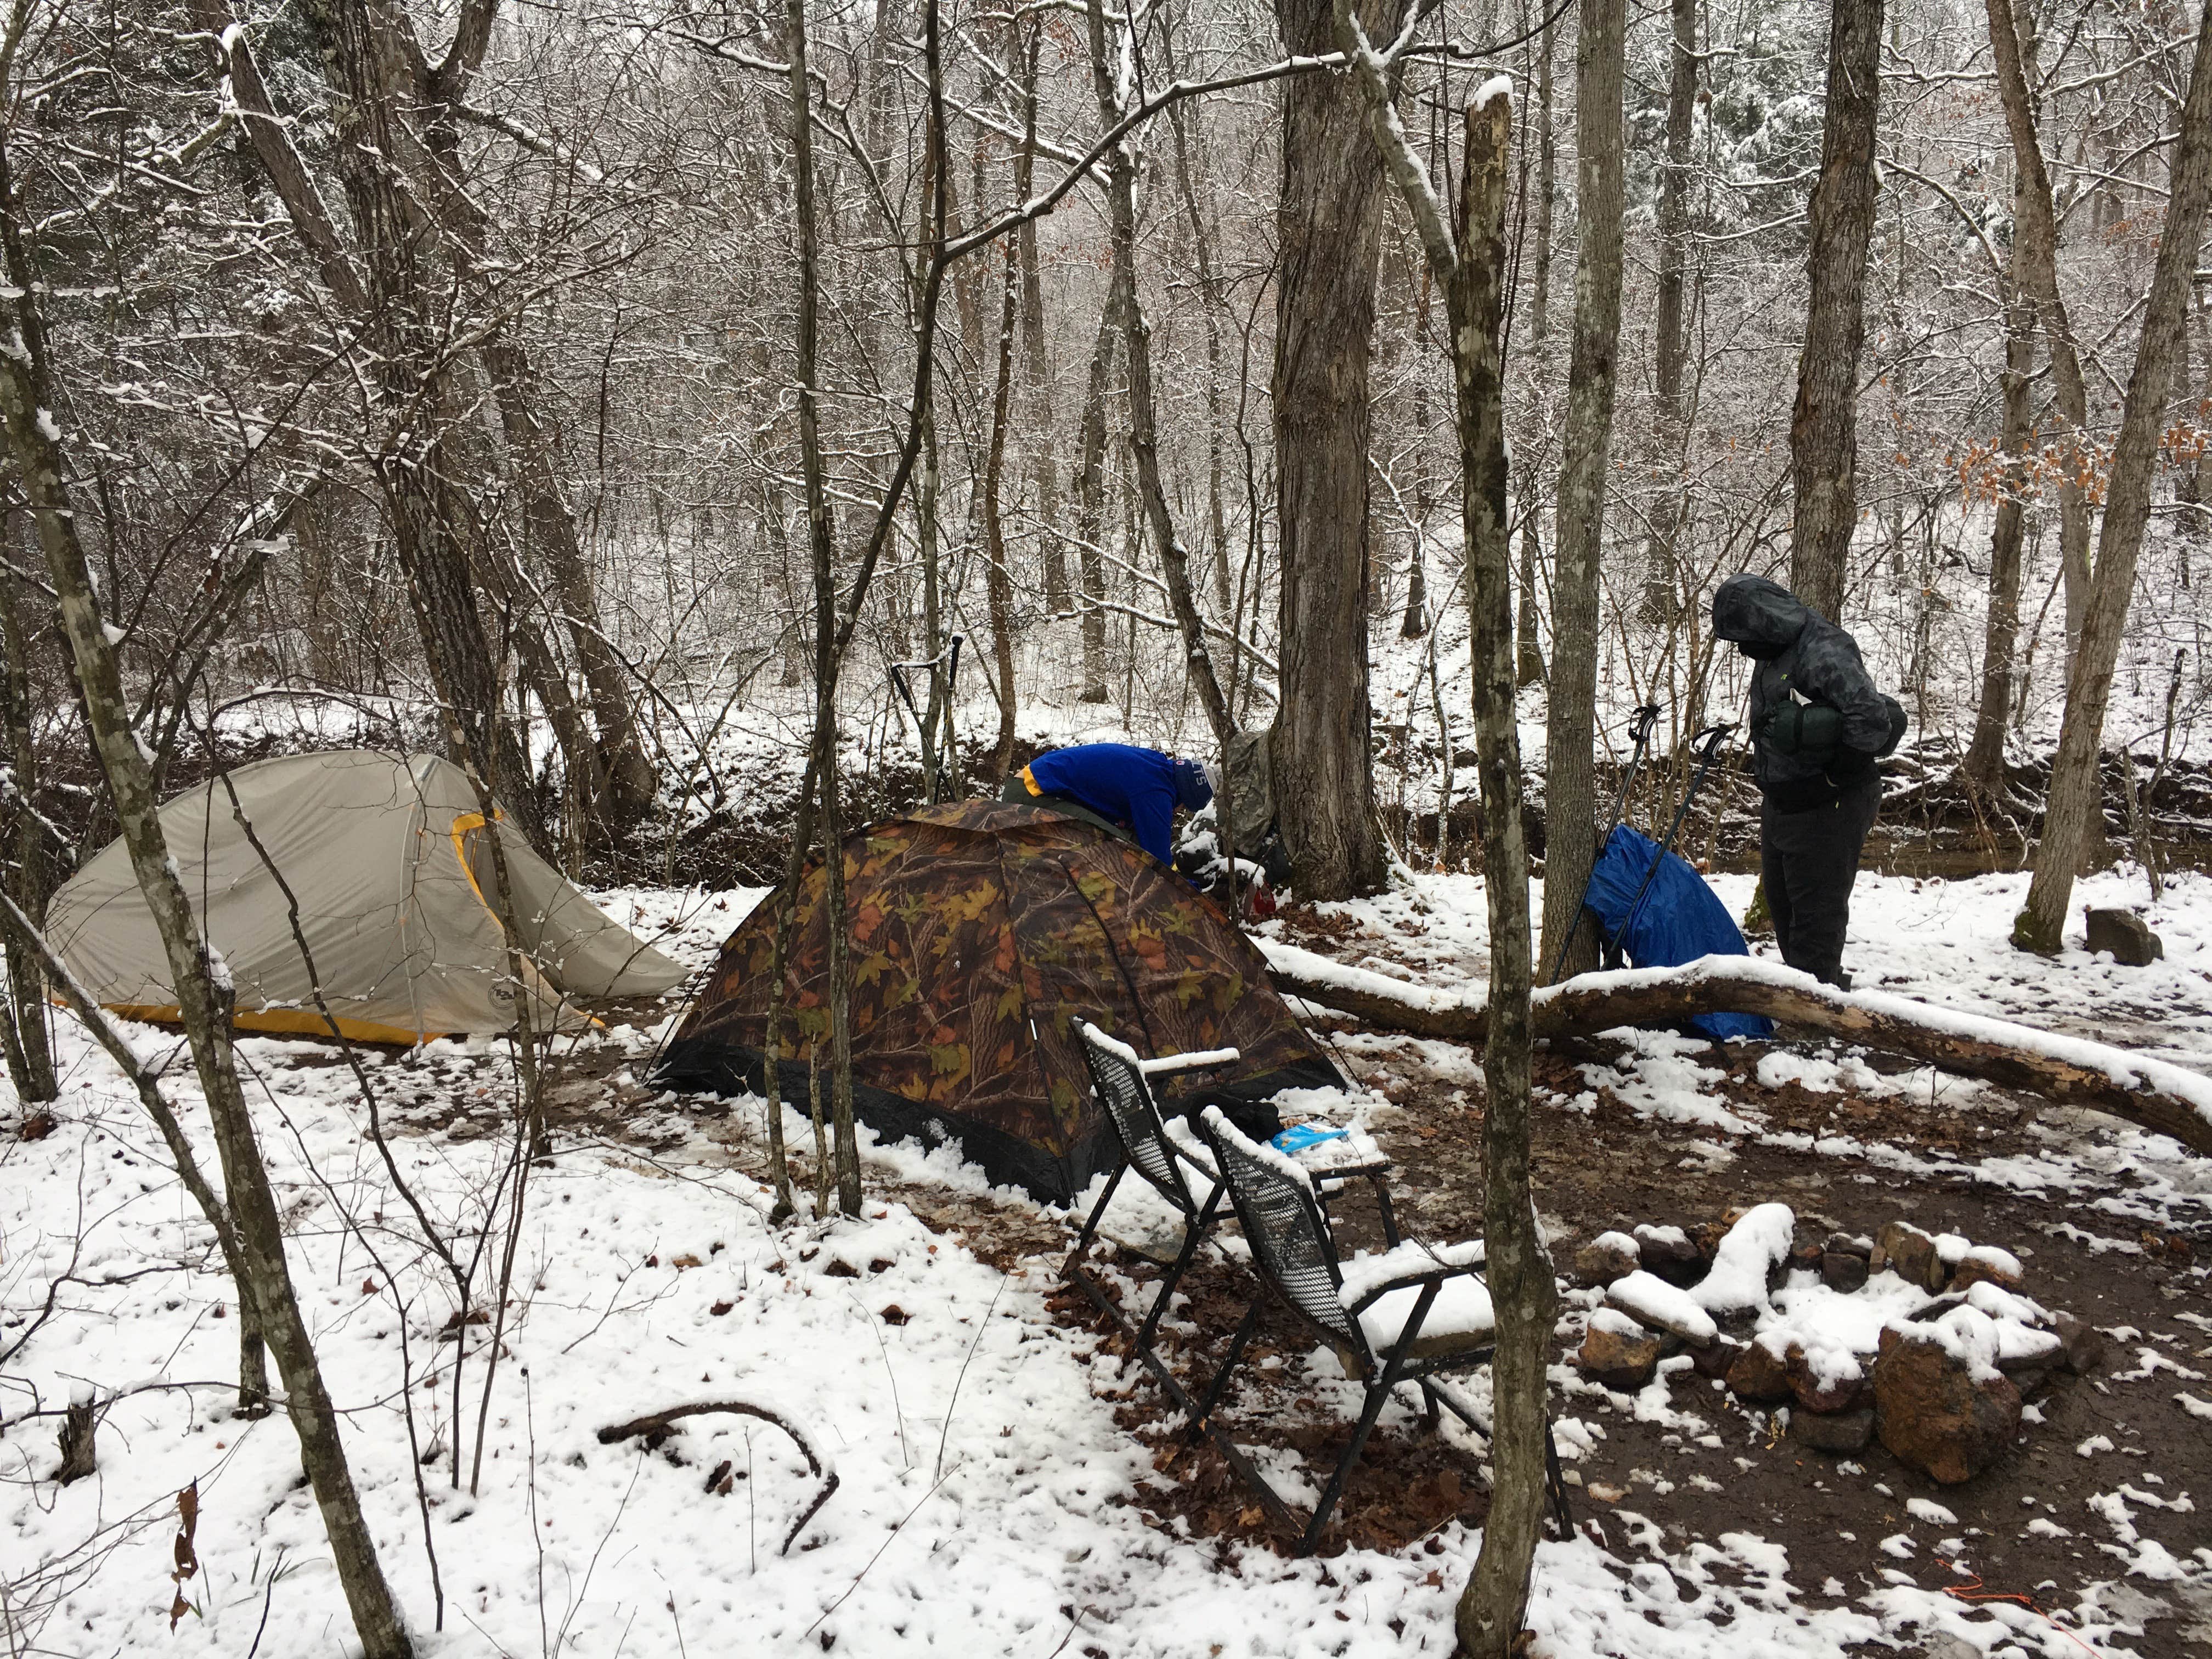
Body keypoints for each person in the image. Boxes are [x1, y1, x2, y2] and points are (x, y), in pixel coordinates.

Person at [1711, 573, 1906, 989]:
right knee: (1784, 912)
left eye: (1745, 638)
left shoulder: (1824, 650)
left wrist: (1828, 769)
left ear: (1764, 623)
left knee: (1815, 923)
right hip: (1783, 800)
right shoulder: (1772, 648)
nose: (1743, 650)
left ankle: (1818, 1011)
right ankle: (1819, 992)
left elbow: (1873, 723)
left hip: (1828, 803)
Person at [1001, 742, 1214, 867]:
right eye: (1183, 807)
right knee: (1119, 847)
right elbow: (1158, 860)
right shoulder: (1156, 791)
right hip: (1033, 792)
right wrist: (1188, 892)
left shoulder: (1156, 764)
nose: (1178, 811)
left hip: (1038, 781)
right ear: (1185, 796)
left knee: (1124, 836)